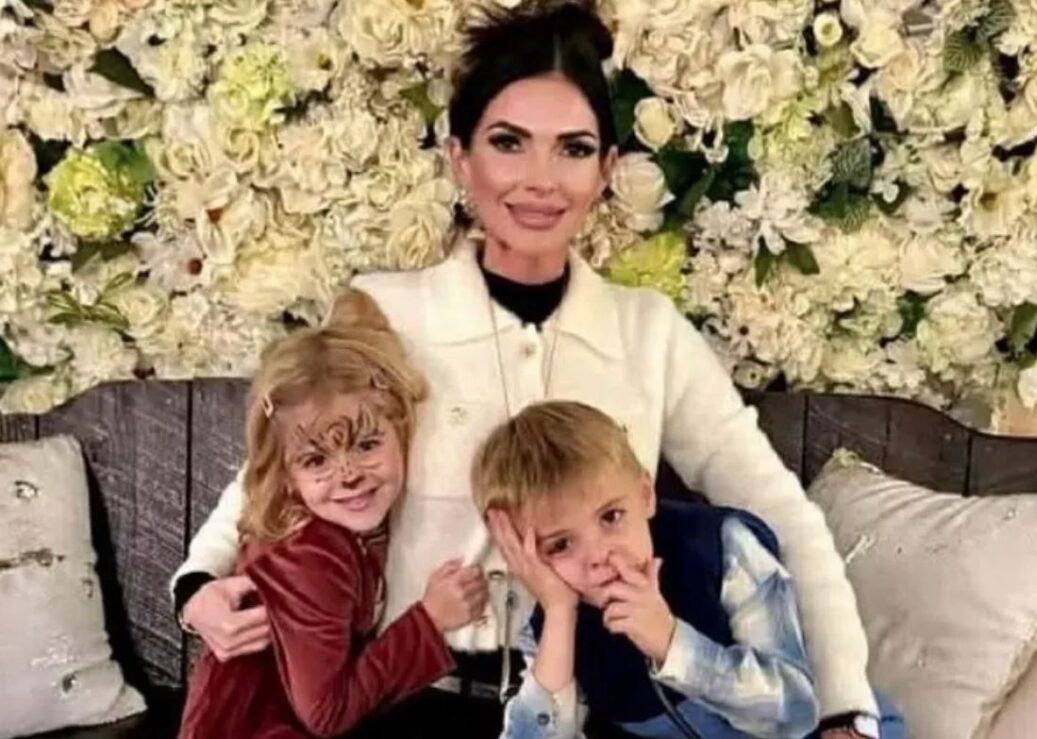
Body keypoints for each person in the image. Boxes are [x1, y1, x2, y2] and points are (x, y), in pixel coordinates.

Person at [173, 1, 883, 736]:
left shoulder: (650, 332)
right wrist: (196, 588)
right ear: (461, 158)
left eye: (573, 148)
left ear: (606, 169)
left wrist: (843, 709)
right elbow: (273, 473)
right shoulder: (385, 312)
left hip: (594, 714)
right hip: (408, 703)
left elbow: (781, 512)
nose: (541, 180)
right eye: (509, 143)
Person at [177, 290, 488, 739]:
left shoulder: (332, 526)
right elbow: (327, 713)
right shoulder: (311, 556)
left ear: (401, 430)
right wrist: (430, 621)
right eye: (316, 460)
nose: (349, 475)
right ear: (286, 475)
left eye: (366, 445)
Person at [474, 400, 821, 739]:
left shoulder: (721, 546)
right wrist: (560, 616)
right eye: (560, 545)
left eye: (611, 516)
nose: (599, 555)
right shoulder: (550, 616)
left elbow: (795, 714)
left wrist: (671, 642)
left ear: (645, 495)